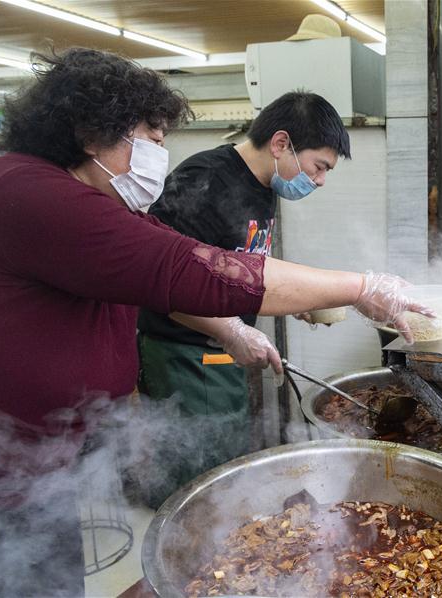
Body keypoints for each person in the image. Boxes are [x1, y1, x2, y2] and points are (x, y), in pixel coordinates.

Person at [0, 47, 429, 598]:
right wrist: (361, 287)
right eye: (152, 138)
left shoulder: (81, 198)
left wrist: (245, 323)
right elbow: (193, 269)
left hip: (37, 458)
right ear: (93, 133)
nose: (160, 155)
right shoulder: (28, 192)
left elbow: (169, 267)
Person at [134, 91, 350, 507]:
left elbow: (240, 267)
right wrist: (232, 328)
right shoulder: (204, 179)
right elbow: (158, 279)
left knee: (223, 464)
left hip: (219, 354)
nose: (320, 180)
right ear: (281, 144)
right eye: (319, 167)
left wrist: (292, 301)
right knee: (196, 476)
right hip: (185, 356)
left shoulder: (264, 182)